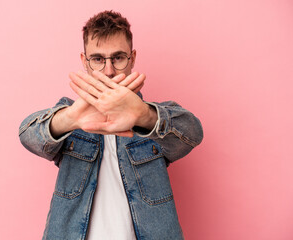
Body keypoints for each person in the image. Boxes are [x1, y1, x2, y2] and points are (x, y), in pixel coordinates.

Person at [19, 10, 203, 240]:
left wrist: (144, 116)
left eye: (118, 57)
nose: (108, 70)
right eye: (97, 59)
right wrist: (71, 118)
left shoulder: (152, 119)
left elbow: (193, 133)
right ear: (84, 62)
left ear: (132, 58)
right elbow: (27, 133)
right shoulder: (70, 115)